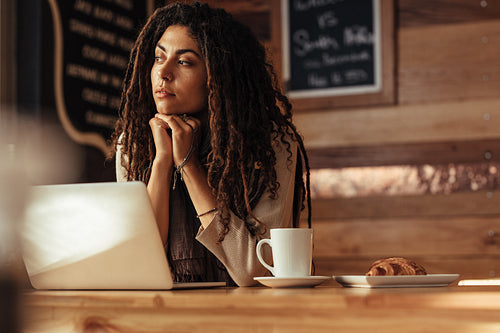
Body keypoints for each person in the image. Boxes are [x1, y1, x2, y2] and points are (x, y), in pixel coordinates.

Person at [110, 1, 311, 287]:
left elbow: (252, 271)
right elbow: (139, 267)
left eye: (184, 61)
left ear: (216, 78)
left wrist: (189, 166)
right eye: (158, 57)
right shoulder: (134, 144)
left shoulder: (272, 145)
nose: (163, 72)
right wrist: (162, 163)